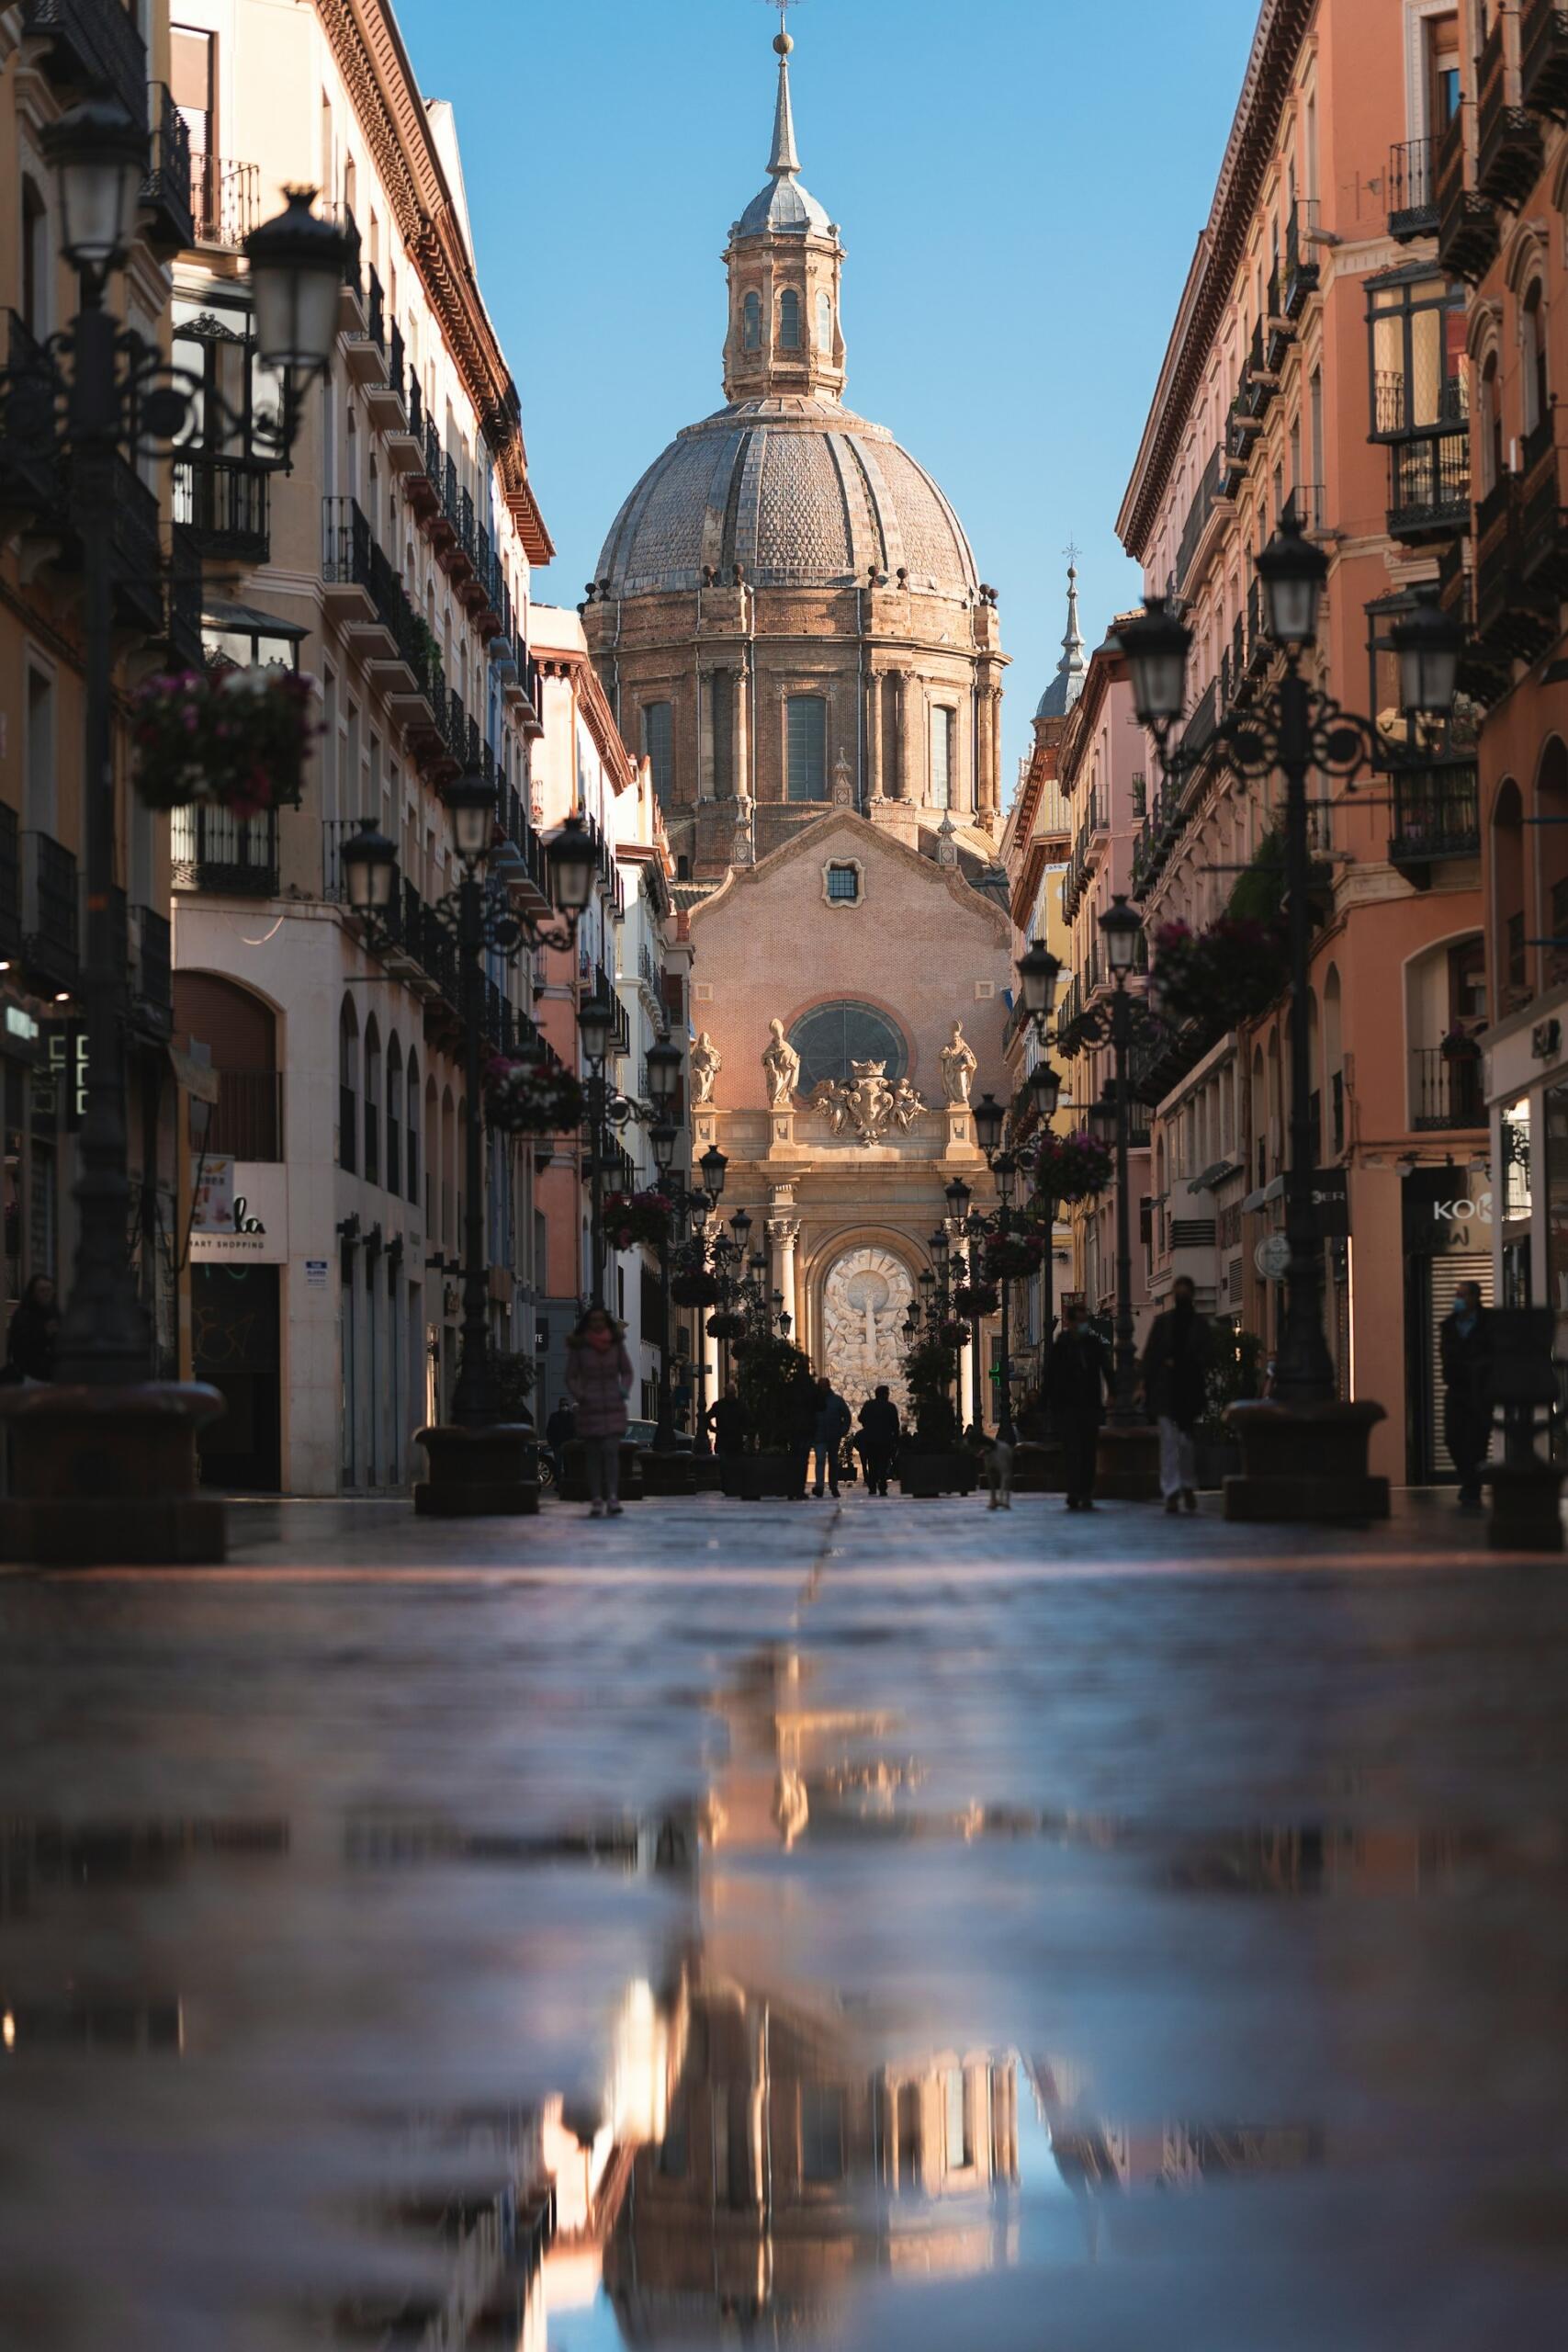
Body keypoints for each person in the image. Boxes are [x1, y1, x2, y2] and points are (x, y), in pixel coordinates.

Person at [1140, 1275, 1212, 1514]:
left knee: (1185, 1443)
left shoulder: (1199, 1325)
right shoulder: (1163, 1323)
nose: (1182, 1297)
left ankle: (1188, 1485)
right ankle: (1171, 1491)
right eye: (1179, 1293)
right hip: (1165, 1392)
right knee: (1169, 1443)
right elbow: (1150, 1355)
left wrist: (1187, 1364)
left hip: (1188, 1391)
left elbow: (1207, 1356)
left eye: (1184, 1293)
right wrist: (1145, 1384)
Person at [564, 1306, 633, 1519]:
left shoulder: (615, 1345)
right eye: (593, 1320)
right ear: (588, 1322)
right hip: (590, 1406)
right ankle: (596, 1498)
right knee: (593, 1455)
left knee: (611, 1452)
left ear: (606, 1322)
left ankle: (612, 1496)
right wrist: (580, 1394)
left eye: (600, 1320)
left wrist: (623, 1390)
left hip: (612, 1405)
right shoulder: (580, 1346)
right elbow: (570, 1376)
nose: (597, 1323)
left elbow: (627, 1371)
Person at [1044, 1299, 1110, 1511]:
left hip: (1089, 1405)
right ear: (1070, 1322)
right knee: (1072, 1450)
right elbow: (1050, 1375)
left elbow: (1106, 1367)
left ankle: (1086, 1491)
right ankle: (1074, 1491)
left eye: (1085, 1321)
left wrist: (1114, 1391)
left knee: (1089, 1450)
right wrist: (1048, 1403)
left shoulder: (1093, 1343)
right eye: (1080, 1321)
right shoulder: (1061, 1345)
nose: (1083, 1325)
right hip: (1067, 1406)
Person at [1439, 1278, 1493, 1508]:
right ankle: (1469, 1481)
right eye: (1457, 1295)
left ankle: (1471, 1488)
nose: (1458, 1300)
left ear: (1474, 1297)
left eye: (1462, 1295)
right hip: (1456, 1390)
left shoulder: (1489, 1323)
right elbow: (1446, 1356)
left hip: (1481, 1392)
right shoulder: (1449, 1326)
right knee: (1452, 1438)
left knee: (1477, 1442)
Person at [2, 1275, 57, 1384]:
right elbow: (20, 1346)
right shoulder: (23, 1315)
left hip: (51, 1375)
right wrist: (44, 1332)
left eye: (49, 1290)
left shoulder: (54, 1312)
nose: (47, 1294)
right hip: (29, 1375)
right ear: (33, 1293)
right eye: (42, 1290)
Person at [811, 1376, 852, 1498]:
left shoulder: (837, 1400)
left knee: (833, 1462)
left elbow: (847, 1416)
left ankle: (833, 1486)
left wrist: (842, 1431)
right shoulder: (814, 1401)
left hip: (833, 1436)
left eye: (824, 1386)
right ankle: (820, 1486)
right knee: (820, 1461)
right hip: (819, 1436)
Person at [858, 1385, 900, 1496]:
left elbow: (860, 1418)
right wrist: (896, 1439)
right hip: (885, 1439)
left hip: (871, 1439)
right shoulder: (890, 1406)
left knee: (872, 1464)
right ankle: (882, 1487)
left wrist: (867, 1425)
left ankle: (872, 1486)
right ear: (885, 1394)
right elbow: (895, 1425)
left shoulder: (869, 1405)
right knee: (883, 1464)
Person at [706, 1381, 750, 1460]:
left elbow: (747, 1420)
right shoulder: (719, 1405)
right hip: (724, 1441)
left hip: (735, 1441)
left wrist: (744, 1432)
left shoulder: (740, 1405)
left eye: (732, 1393)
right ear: (726, 1393)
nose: (731, 1396)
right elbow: (707, 1417)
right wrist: (714, 1429)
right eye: (729, 1394)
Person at [543, 1395, 576, 1488]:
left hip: (568, 1445)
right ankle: (559, 1483)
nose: (565, 1407)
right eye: (563, 1405)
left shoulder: (572, 1417)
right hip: (557, 1445)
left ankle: (567, 1483)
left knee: (567, 1465)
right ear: (560, 1406)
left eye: (566, 1405)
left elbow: (575, 1431)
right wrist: (552, 1443)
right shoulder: (554, 1416)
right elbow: (549, 1431)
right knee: (558, 1465)